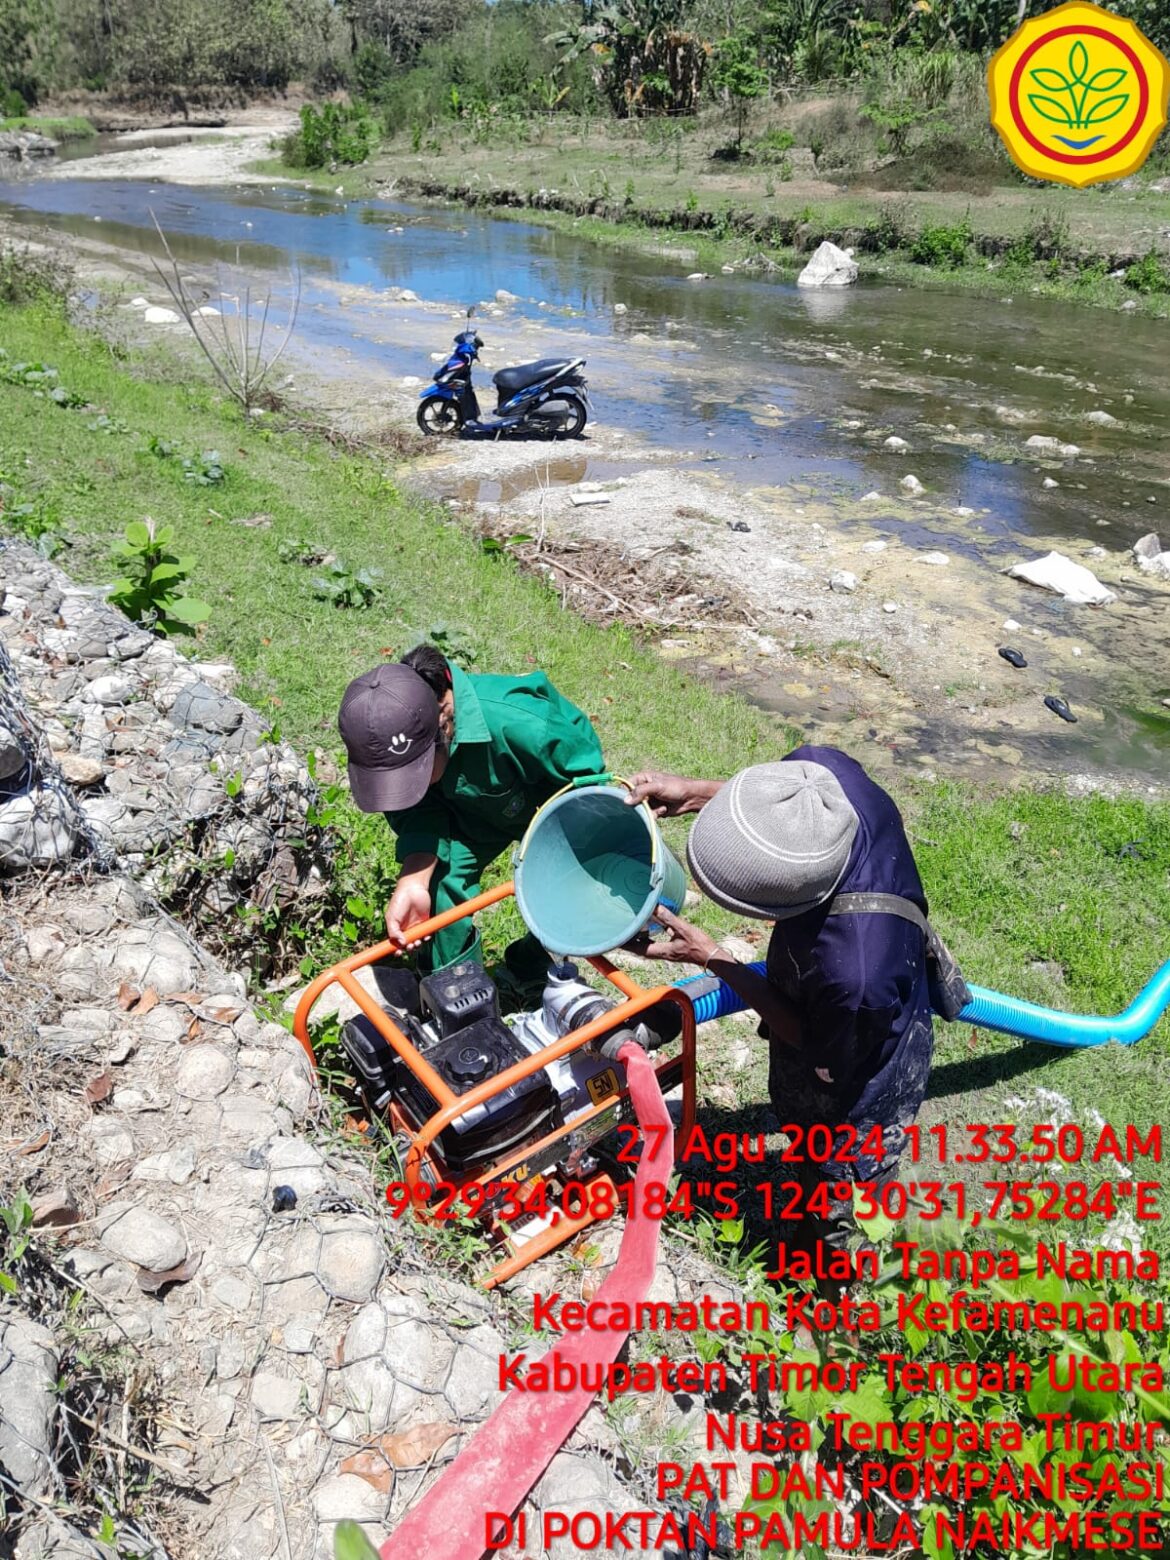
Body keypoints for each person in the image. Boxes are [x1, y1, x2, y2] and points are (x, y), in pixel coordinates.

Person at [626, 747, 935, 1273]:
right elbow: (783, 809)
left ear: (791, 900)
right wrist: (698, 792)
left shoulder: (855, 970)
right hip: (834, 989)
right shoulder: (823, 774)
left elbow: (815, 1042)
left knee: (844, 1175)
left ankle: (837, 1293)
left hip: (862, 1054)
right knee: (800, 1130)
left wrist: (714, 958)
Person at [338, 644, 605, 990]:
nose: (406, 787)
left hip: (551, 797)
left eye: (413, 774)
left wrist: (583, 846)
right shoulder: (400, 741)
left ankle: (534, 959)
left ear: (443, 718)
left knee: (571, 879)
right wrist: (414, 880)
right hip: (472, 809)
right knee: (442, 883)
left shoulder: (520, 722)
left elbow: (587, 779)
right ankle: (458, 994)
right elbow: (416, 812)